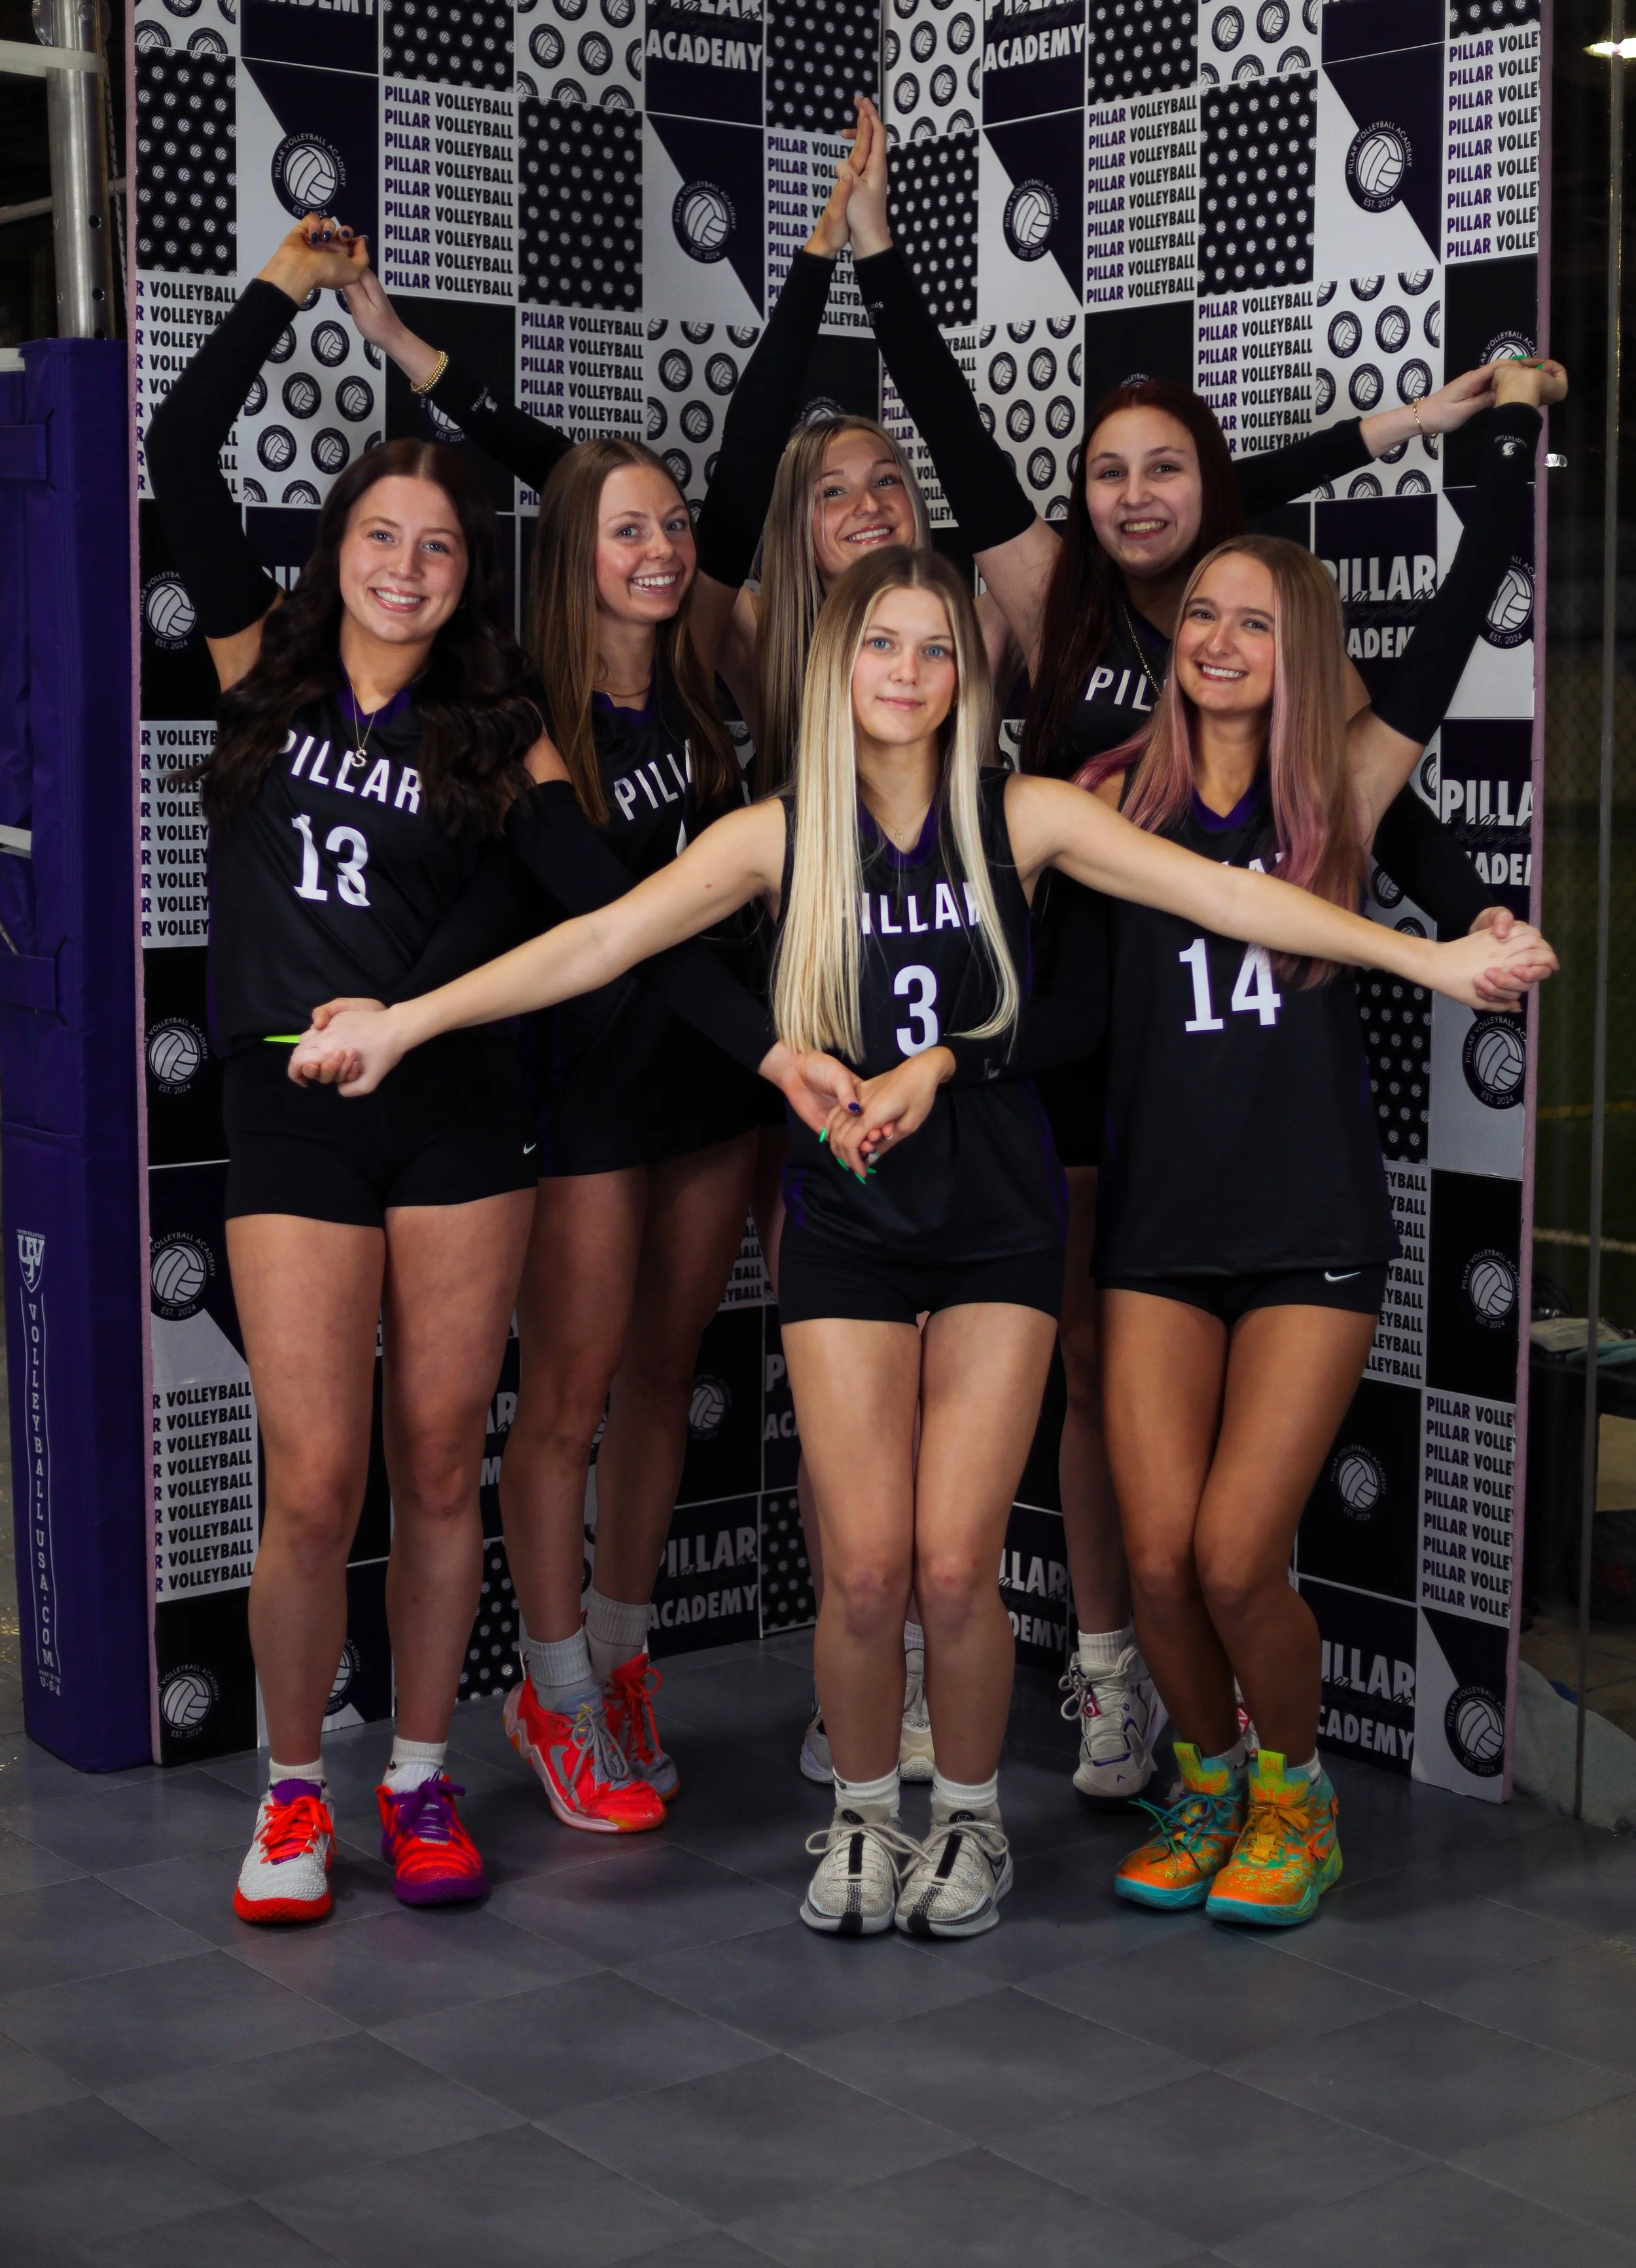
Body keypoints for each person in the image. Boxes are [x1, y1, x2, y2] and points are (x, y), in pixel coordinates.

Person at [287, 545, 1553, 1939]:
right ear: (838, 664)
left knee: (954, 1566)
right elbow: (600, 941)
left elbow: (1230, 896)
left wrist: (1433, 958)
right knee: (868, 1571)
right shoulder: (778, 834)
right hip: (845, 1228)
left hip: (998, 1229)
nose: (905, 674)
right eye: (881, 646)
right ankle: (858, 1820)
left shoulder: (1023, 817)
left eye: (934, 650)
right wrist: (399, 1024)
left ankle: (967, 1826)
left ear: (966, 675)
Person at [836, 93, 1565, 1804]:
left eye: (1170, 475)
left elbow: (1374, 774)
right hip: (1085, 1069)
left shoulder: (1297, 710)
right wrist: (873, 260)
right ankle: (1119, 1689)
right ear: (1083, 501)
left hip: (1266, 1144)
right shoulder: (1072, 687)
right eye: (1111, 471)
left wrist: (1467, 435)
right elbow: (960, 445)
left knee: (1219, 1529)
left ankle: (1242, 1761)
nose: (1139, 498)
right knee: (1100, 1420)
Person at [145, 216, 845, 1922]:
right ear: (340, 552)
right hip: (292, 1115)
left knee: (445, 1454)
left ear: (473, 570)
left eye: (438, 543)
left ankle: (422, 1774)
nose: (406, 564)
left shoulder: (502, 724)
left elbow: (617, 922)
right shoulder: (261, 666)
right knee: (319, 1479)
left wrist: (768, 1048)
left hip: (462, 1127)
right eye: (380, 536)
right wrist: (287, 298)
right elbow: (177, 446)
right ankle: (296, 1787)